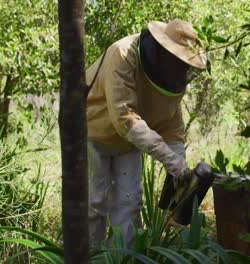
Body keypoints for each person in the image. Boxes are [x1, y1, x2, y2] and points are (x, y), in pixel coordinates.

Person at [85, 19, 208, 247]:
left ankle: (123, 259)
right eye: (179, 62)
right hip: (90, 132)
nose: (183, 69)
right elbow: (124, 117)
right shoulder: (122, 54)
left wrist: (179, 168)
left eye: (186, 64)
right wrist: (171, 161)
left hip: (128, 143)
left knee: (130, 204)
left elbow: (172, 127)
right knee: (93, 203)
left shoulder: (173, 77)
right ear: (163, 52)